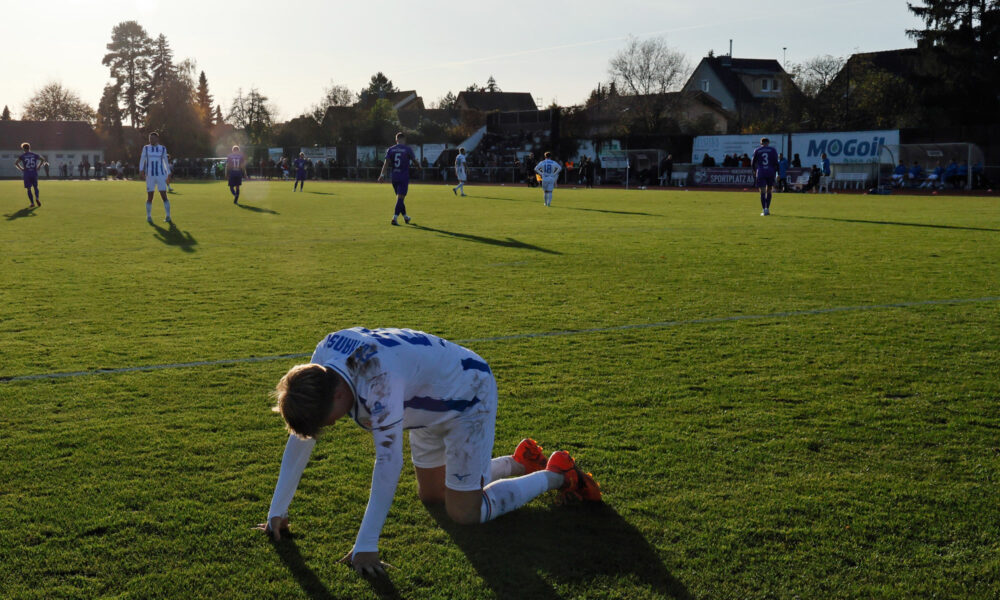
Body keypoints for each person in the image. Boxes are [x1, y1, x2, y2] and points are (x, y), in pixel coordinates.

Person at [256, 327, 602, 575]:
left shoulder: (378, 383)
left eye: (326, 420)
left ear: (336, 396)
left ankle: (558, 474)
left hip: (468, 397)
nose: (328, 427)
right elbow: (303, 437)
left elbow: (388, 462)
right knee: (433, 495)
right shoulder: (322, 358)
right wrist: (277, 510)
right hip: (423, 408)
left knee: (464, 511)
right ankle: (519, 462)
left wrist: (366, 545)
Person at [377, 132, 420, 226]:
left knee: (400, 199)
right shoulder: (407, 149)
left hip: (394, 177)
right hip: (403, 177)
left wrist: (382, 175)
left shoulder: (391, 149)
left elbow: (386, 163)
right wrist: (419, 167)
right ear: (404, 140)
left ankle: (405, 217)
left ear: (396, 140)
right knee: (400, 199)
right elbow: (414, 160)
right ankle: (394, 218)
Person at [139, 131, 172, 223]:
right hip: (150, 176)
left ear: (157, 139)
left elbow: (165, 162)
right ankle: (149, 216)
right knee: (150, 196)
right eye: (150, 138)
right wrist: (141, 170)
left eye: (153, 138)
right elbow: (142, 159)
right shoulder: (146, 148)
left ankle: (168, 216)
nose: (151, 140)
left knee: (163, 195)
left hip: (161, 175)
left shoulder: (162, 148)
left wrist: (168, 173)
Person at [14, 142, 47, 208]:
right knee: (36, 187)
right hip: (34, 173)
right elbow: (43, 159)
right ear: (29, 148)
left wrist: (21, 169)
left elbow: (16, 163)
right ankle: (37, 198)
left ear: (23, 149)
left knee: (29, 189)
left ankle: (32, 203)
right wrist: (38, 166)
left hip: (27, 173)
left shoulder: (22, 156)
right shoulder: (34, 155)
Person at [751, 137, 779, 216]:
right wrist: (777, 173)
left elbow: (753, 163)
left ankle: (764, 209)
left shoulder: (757, 150)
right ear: (768, 142)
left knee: (762, 191)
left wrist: (754, 171)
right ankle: (768, 208)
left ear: (761, 143)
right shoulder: (773, 150)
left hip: (761, 172)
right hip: (770, 172)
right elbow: (776, 162)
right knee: (769, 190)